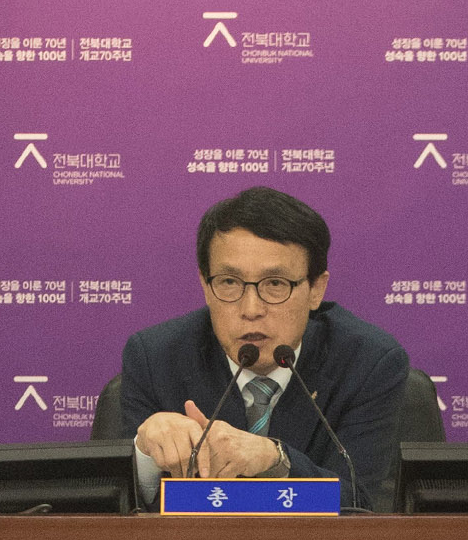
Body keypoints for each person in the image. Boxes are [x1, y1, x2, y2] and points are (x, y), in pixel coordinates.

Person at [121, 186, 410, 510]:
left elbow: (359, 503)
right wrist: (145, 452)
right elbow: (117, 506)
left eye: (275, 284)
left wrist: (275, 459)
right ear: (205, 285)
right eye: (229, 282)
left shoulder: (367, 362)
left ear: (316, 289)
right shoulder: (155, 358)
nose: (251, 309)